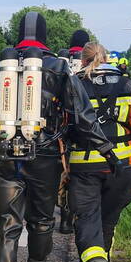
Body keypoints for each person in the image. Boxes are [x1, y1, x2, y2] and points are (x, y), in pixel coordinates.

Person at [0, 12, 117, 262]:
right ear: (46, 36)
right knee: (41, 220)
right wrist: (106, 150)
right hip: (45, 157)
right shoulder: (59, 67)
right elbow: (82, 115)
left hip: (4, 155)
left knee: (6, 224)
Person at [68, 41, 131, 262]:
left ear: (82, 60)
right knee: (109, 217)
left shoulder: (74, 84)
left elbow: (66, 124)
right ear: (105, 58)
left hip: (85, 164)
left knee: (87, 216)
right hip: (123, 165)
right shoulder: (125, 83)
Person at [57, 30, 90, 234]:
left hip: (60, 128)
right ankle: (72, 217)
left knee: (64, 171)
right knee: (77, 173)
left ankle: (63, 217)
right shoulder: (87, 62)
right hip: (80, 128)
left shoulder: (61, 60)